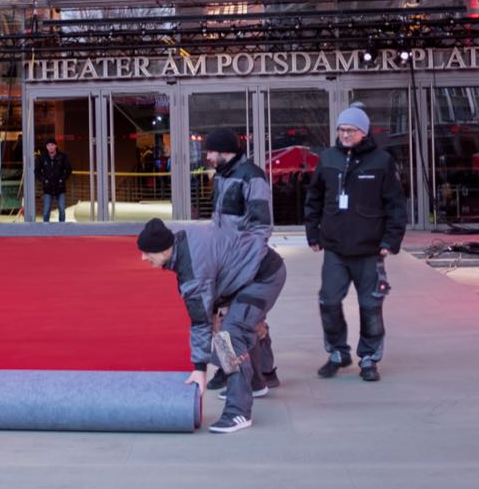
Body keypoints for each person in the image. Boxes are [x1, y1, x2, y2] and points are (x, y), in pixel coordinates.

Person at [137, 218, 286, 433]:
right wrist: (215, 310)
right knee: (228, 327)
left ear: (164, 251)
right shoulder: (180, 240)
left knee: (231, 335)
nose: (142, 257)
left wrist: (199, 368)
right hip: (244, 275)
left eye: (147, 252)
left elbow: (200, 321)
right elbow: (215, 268)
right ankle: (255, 384)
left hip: (262, 276)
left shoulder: (191, 270)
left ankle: (238, 412)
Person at [305, 106, 407, 382]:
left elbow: (396, 205)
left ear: (364, 132)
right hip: (335, 249)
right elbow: (314, 198)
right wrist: (312, 233)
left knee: (370, 306)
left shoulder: (381, 161)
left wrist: (391, 240)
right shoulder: (327, 159)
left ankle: (370, 358)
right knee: (328, 301)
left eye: (351, 130)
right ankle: (338, 351)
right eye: (341, 130)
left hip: (370, 249)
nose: (345, 134)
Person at [202, 128, 279, 393]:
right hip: (225, 259)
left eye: (210, 151)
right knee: (227, 320)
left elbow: (261, 226)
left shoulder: (252, 177)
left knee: (244, 321)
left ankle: (263, 372)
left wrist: (248, 263)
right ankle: (231, 368)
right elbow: (218, 220)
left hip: (245, 262)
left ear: (225, 151)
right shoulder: (222, 177)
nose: (208, 157)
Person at [35, 137, 72, 222]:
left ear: (55, 146)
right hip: (48, 188)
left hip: (60, 187)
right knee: (46, 211)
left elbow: (69, 169)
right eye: (48, 145)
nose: (50, 147)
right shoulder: (42, 158)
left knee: (62, 210)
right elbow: (36, 171)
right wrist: (44, 180)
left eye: (52, 145)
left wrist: (62, 179)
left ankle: (61, 228)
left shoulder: (62, 157)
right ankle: (45, 229)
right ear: (46, 147)